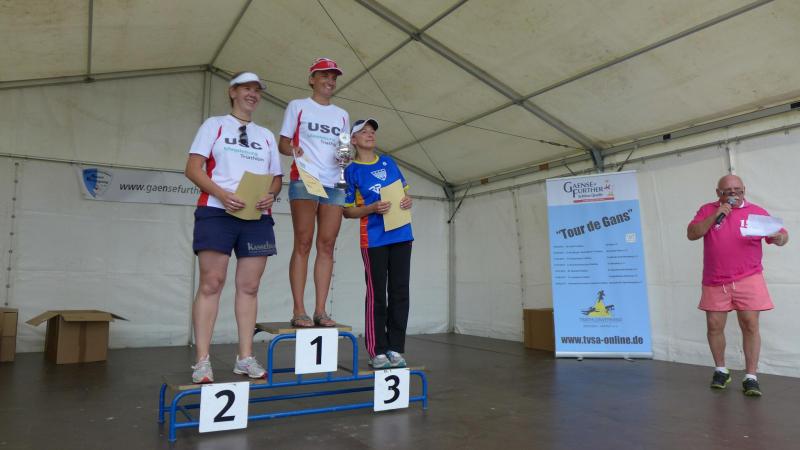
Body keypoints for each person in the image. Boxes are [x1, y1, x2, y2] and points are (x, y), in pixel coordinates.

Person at [185, 71, 283, 383]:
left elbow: (276, 179)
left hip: (256, 217)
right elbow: (193, 168)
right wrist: (221, 194)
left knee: (250, 287)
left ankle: (245, 357)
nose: (253, 94)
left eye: (257, 90)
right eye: (246, 88)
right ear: (233, 92)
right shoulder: (214, 125)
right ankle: (202, 361)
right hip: (217, 212)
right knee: (211, 283)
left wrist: (271, 195)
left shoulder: (266, 135)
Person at [687, 174, 788, 396]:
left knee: (750, 324)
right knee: (714, 325)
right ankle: (721, 370)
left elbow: (781, 236)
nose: (733, 193)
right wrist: (716, 215)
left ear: (744, 190)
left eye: (737, 190)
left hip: (748, 277)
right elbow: (692, 234)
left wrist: (779, 238)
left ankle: (751, 377)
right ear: (718, 193)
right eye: (728, 191)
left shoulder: (756, 212)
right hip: (715, 279)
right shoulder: (708, 210)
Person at [278, 58, 349, 328]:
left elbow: (343, 148)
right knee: (304, 242)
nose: (330, 81)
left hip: (334, 182)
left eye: (334, 77)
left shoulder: (342, 114)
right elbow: (283, 143)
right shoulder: (298, 106)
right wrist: (293, 150)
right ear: (312, 79)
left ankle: (321, 310)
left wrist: (347, 157)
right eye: (324, 75)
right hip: (305, 179)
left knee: (327, 245)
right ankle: (299, 310)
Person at [343, 118, 413, 369]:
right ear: (353, 140)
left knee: (400, 292)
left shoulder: (388, 162)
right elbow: (347, 211)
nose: (370, 134)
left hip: (402, 234)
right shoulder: (351, 170)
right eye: (364, 131)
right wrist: (371, 208)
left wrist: (407, 201)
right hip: (374, 239)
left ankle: (395, 348)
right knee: (377, 294)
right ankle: (377, 350)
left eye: (372, 131)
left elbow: (404, 193)